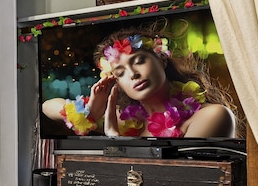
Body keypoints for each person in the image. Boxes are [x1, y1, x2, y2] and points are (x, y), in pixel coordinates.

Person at [42, 24, 238, 139]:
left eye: (139, 61)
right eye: (120, 72)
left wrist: (116, 143)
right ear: (116, 82)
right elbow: (47, 106)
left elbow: (181, 182)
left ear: (162, 60)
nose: (133, 74)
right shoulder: (122, 119)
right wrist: (88, 113)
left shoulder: (211, 116)